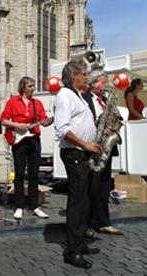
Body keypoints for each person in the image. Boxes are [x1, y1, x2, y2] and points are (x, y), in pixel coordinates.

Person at [54, 59, 102, 269]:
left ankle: (80, 243)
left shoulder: (79, 96)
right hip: (75, 152)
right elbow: (62, 130)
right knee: (77, 200)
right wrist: (86, 145)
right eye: (83, 74)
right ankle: (72, 252)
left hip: (83, 152)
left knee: (85, 199)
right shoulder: (65, 95)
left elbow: (80, 122)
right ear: (73, 75)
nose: (86, 77)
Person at [1, 76, 53, 220]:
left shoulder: (38, 103)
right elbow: (4, 120)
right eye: (30, 86)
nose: (33, 88)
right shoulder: (12, 102)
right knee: (19, 173)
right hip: (18, 141)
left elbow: (43, 121)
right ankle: (19, 206)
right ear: (23, 87)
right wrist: (17, 125)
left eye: (33, 85)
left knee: (34, 173)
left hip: (34, 140)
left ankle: (34, 206)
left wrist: (51, 120)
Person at [82, 69, 123, 237]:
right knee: (91, 188)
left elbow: (113, 121)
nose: (107, 86)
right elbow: (82, 122)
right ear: (94, 83)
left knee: (105, 187)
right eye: (104, 83)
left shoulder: (106, 100)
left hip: (106, 146)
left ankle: (104, 222)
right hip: (93, 145)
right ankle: (88, 224)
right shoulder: (84, 99)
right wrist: (97, 123)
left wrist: (117, 118)